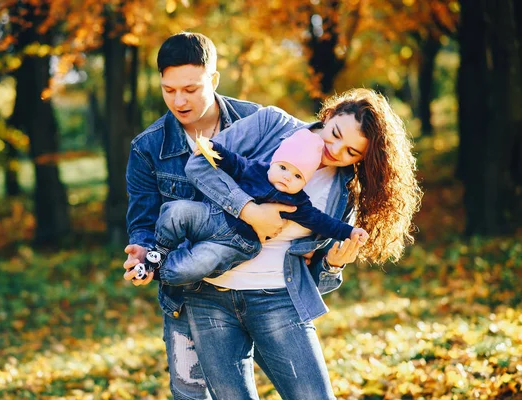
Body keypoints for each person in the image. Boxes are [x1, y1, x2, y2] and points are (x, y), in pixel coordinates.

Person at [181, 88, 423, 399]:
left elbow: (314, 277)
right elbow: (200, 162)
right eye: (334, 133)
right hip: (210, 292)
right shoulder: (272, 125)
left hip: (277, 300)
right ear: (330, 115)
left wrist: (333, 265)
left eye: (352, 152)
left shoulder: (343, 190)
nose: (335, 150)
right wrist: (248, 210)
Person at [122, 32, 294, 399]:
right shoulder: (147, 148)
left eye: (190, 88)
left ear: (213, 80)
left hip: (263, 287)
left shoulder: (258, 122)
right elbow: (143, 223)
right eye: (169, 90)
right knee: (191, 395)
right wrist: (142, 252)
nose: (179, 101)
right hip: (189, 295)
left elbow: (307, 174)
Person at [132, 128, 368, 284]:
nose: (287, 177)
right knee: (176, 211)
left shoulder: (299, 203)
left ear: (305, 182)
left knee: (195, 265)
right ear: (274, 161)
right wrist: (212, 147)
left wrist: (348, 232)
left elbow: (323, 222)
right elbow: (232, 161)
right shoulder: (255, 169)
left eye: (298, 176)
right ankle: (161, 249)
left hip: (235, 243)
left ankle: (157, 270)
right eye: (284, 168)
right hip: (215, 216)